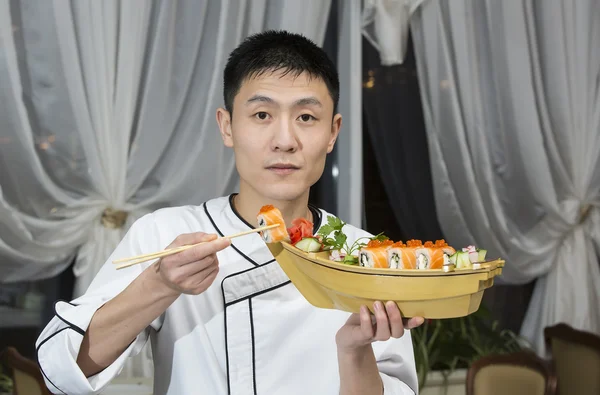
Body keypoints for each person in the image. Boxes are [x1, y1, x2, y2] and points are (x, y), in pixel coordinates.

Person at [35, 30, 422, 395]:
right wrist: (159, 284)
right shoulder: (167, 234)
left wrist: (354, 352)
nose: (285, 141)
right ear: (227, 127)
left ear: (333, 132)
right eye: (261, 115)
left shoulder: (366, 255)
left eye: (306, 117)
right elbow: (61, 367)